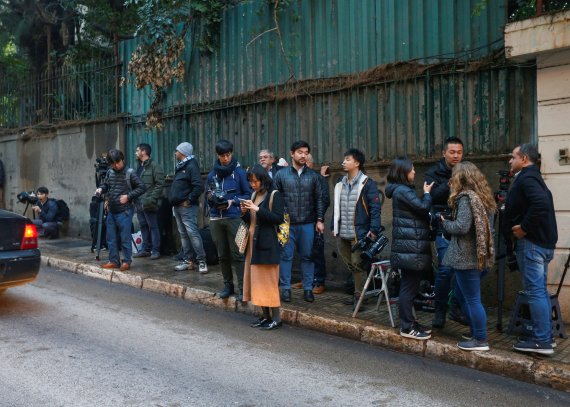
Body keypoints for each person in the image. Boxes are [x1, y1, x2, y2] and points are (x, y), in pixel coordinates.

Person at [505, 143, 558, 355]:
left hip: (533, 245)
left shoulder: (526, 178)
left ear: (524, 158)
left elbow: (541, 204)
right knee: (540, 292)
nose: (510, 161)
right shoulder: (536, 178)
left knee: (535, 292)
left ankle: (541, 341)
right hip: (542, 244)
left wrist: (524, 228)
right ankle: (546, 336)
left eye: (513, 157)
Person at [441, 161, 496, 351]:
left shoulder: (466, 198)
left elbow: (461, 226)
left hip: (467, 258)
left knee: (471, 299)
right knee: (461, 295)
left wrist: (444, 222)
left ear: (460, 178)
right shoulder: (484, 198)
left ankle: (480, 339)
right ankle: (475, 332)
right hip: (480, 256)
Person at [385, 157, 433, 340]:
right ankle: (406, 327)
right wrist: (427, 193)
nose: (414, 172)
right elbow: (422, 207)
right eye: (412, 169)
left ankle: (411, 322)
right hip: (409, 247)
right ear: (404, 172)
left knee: (410, 287)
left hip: (409, 247)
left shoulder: (400, 191)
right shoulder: (403, 191)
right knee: (408, 288)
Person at [274, 140, 325, 303]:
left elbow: (319, 199)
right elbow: (275, 198)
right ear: (292, 154)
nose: (303, 155)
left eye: (306, 152)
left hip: (308, 223)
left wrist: (320, 220)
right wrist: (278, 219)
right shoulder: (281, 175)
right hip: (286, 223)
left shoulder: (314, 176)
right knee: (285, 257)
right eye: (300, 152)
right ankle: (285, 289)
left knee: (308, 257)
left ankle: (308, 289)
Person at [424, 136, 466, 328]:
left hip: (464, 225)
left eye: (459, 152)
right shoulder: (434, 172)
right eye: (452, 152)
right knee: (446, 269)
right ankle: (440, 310)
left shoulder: (467, 171)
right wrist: (447, 185)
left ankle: (456, 306)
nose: (456, 156)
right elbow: (428, 198)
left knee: (465, 269)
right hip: (443, 225)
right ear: (444, 153)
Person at [332, 148, 381, 308]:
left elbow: (375, 208)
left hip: (359, 234)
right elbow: (337, 208)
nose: (343, 162)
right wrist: (334, 226)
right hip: (343, 233)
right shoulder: (340, 184)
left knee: (357, 264)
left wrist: (373, 230)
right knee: (351, 264)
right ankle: (358, 293)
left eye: (347, 159)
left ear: (357, 163)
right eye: (344, 160)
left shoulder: (367, 183)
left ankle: (359, 297)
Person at [207, 139, 252, 301]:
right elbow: (208, 196)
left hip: (235, 219)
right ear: (217, 156)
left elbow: (248, 194)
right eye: (222, 156)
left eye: (228, 155)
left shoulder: (240, 173)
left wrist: (233, 201)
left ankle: (243, 289)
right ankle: (228, 285)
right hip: (216, 219)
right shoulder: (212, 174)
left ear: (231, 154)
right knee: (222, 255)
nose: (225, 158)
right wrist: (212, 198)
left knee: (239, 254)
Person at [241, 164, 285, 330]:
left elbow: (277, 218)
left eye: (255, 181)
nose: (253, 185)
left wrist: (257, 209)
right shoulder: (253, 195)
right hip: (253, 243)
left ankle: (276, 318)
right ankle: (265, 317)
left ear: (263, 179)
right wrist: (244, 212)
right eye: (250, 181)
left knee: (268, 282)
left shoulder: (275, 194)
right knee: (257, 282)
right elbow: (251, 220)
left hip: (267, 243)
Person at [95, 149, 145, 271]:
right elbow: (106, 184)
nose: (116, 165)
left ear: (122, 159)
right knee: (110, 237)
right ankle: (113, 261)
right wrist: (101, 189)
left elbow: (142, 187)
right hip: (112, 210)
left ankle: (126, 261)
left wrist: (128, 196)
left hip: (125, 211)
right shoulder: (110, 172)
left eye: (118, 162)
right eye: (113, 164)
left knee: (125, 237)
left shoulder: (130, 173)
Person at [168, 142, 208, 273]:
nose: (175, 153)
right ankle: (188, 261)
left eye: (177, 150)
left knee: (192, 233)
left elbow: (199, 186)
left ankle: (202, 261)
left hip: (187, 207)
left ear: (183, 152)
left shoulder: (191, 165)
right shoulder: (181, 166)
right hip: (178, 206)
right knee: (183, 234)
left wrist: (189, 200)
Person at [293, 153, 330, 294]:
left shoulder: (318, 179)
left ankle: (319, 281)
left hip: (313, 221)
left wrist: (316, 217)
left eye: (304, 162)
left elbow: (325, 200)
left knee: (316, 252)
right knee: (304, 252)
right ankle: (307, 279)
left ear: (310, 164)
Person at [133, 143, 165, 260]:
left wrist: (151, 199)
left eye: (137, 150)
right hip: (139, 201)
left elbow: (160, 183)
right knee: (143, 225)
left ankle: (155, 250)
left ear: (144, 152)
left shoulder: (154, 166)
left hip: (148, 202)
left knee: (153, 226)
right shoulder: (140, 165)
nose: (136, 153)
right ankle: (145, 249)